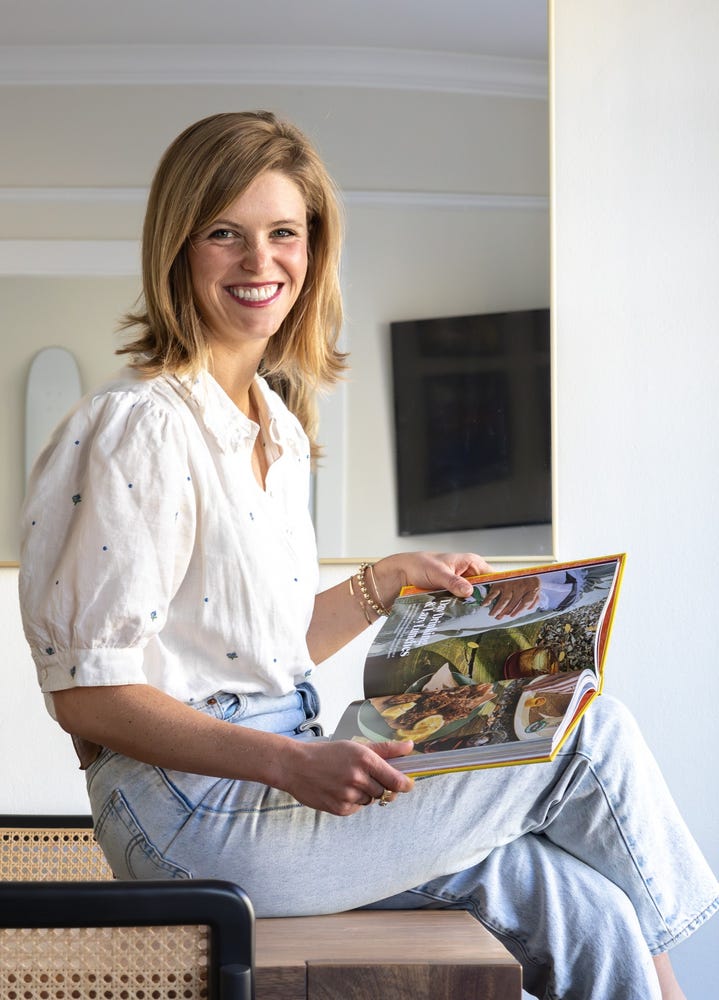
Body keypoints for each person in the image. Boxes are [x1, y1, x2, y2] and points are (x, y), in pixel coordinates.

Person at [19, 111, 717, 1000]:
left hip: (276, 770)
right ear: (177, 247)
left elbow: (256, 653)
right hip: (192, 810)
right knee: (584, 730)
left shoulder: (268, 421)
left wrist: (381, 584)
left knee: (587, 914)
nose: (258, 261)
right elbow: (87, 695)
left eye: (283, 233)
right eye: (223, 234)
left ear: (313, 251)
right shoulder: (140, 426)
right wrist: (287, 762)